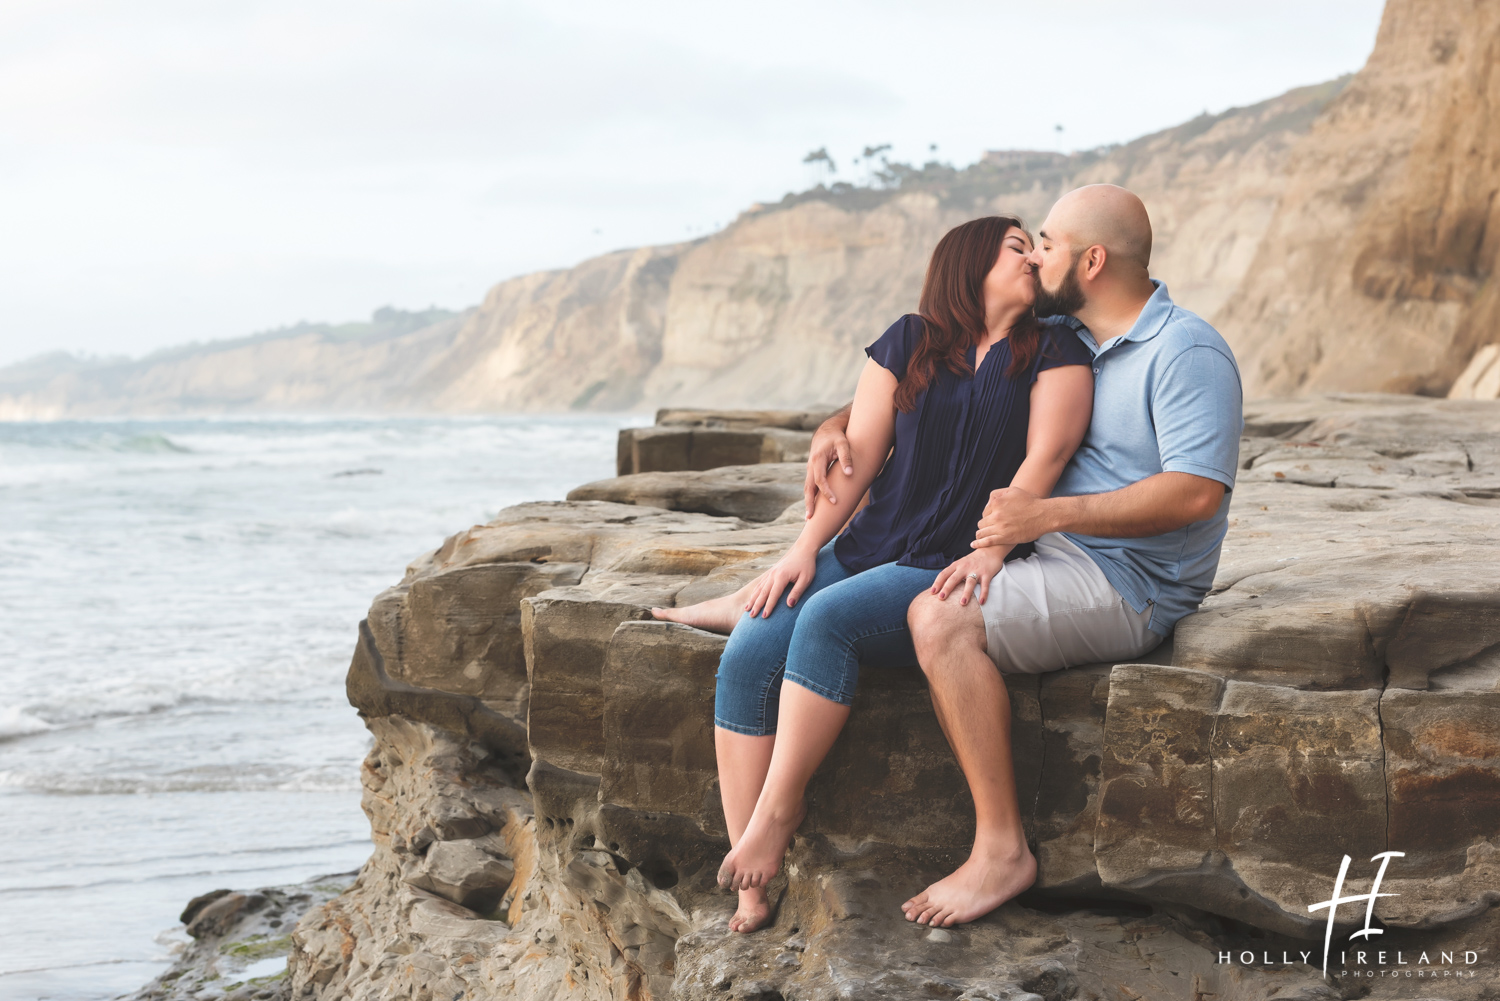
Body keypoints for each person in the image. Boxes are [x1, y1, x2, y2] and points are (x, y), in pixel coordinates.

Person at [806, 184, 1245, 928]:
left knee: (939, 619)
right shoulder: (1079, 344)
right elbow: (960, 391)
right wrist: (841, 420)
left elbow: (1198, 492)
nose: (1033, 256)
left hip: (1128, 581)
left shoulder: (1184, 350)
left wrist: (1045, 514)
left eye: (1045, 243)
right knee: (878, 594)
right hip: (1053, 550)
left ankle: (1002, 850)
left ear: (1094, 260)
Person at [655, 215, 1095, 933]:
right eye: (1017, 246)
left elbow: (1043, 461)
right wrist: (803, 548)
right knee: (750, 649)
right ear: (968, 262)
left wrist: (991, 548)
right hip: (868, 545)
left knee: (829, 620)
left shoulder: (1055, 348)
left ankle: (778, 811)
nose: (1032, 258)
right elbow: (855, 457)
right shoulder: (911, 340)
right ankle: (749, 885)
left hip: (950, 560)